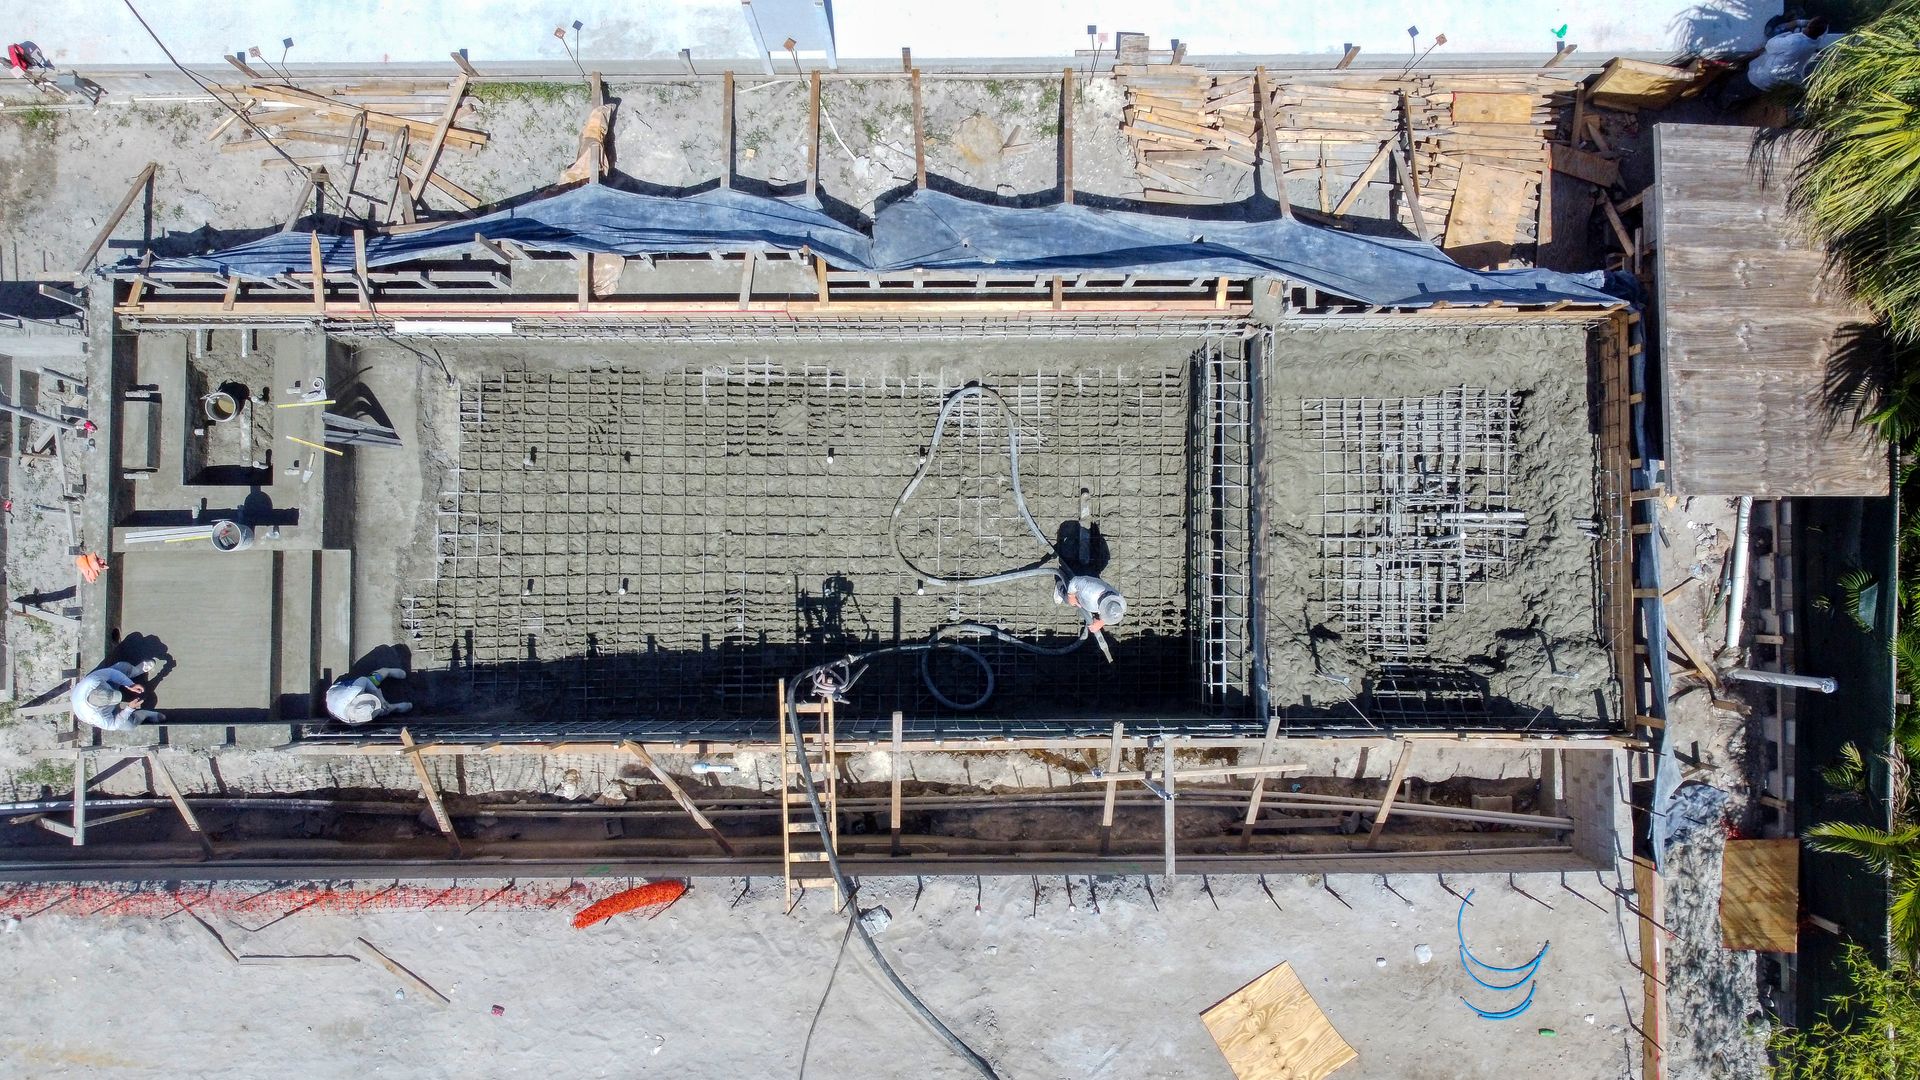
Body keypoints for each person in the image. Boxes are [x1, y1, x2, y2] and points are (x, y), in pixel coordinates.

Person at [1741, 17, 1845, 94]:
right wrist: (1806, 23)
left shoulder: (1793, 42)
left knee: (1740, 86)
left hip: (1763, 74)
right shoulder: (1817, 40)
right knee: (1754, 91)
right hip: (1782, 77)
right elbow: (1823, 29)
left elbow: (1770, 45)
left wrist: (1794, 26)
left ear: (1808, 27)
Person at [70, 658, 164, 731]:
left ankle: (136, 671)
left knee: (122, 667)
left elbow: (111, 673)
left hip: (96, 687)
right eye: (112, 701)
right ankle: (144, 714)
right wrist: (129, 709)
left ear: (98, 687)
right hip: (106, 713)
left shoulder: (93, 680)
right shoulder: (96, 717)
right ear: (102, 706)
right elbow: (113, 725)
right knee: (129, 725)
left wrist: (130, 684)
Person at [325, 667, 412, 725]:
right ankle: (393, 708)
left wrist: (380, 698)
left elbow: (364, 679)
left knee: (373, 680)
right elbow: (368, 713)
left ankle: (386, 671)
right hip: (334, 709)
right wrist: (383, 709)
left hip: (340, 688)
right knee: (382, 711)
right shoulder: (354, 720)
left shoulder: (355, 690)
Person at [1054, 571, 1126, 634]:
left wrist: (1101, 622)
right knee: (1068, 600)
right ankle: (1060, 587)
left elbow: (1112, 612)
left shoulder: (1120, 603)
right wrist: (1071, 596)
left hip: (1093, 603)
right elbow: (1075, 581)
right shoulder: (1089, 591)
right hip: (1083, 593)